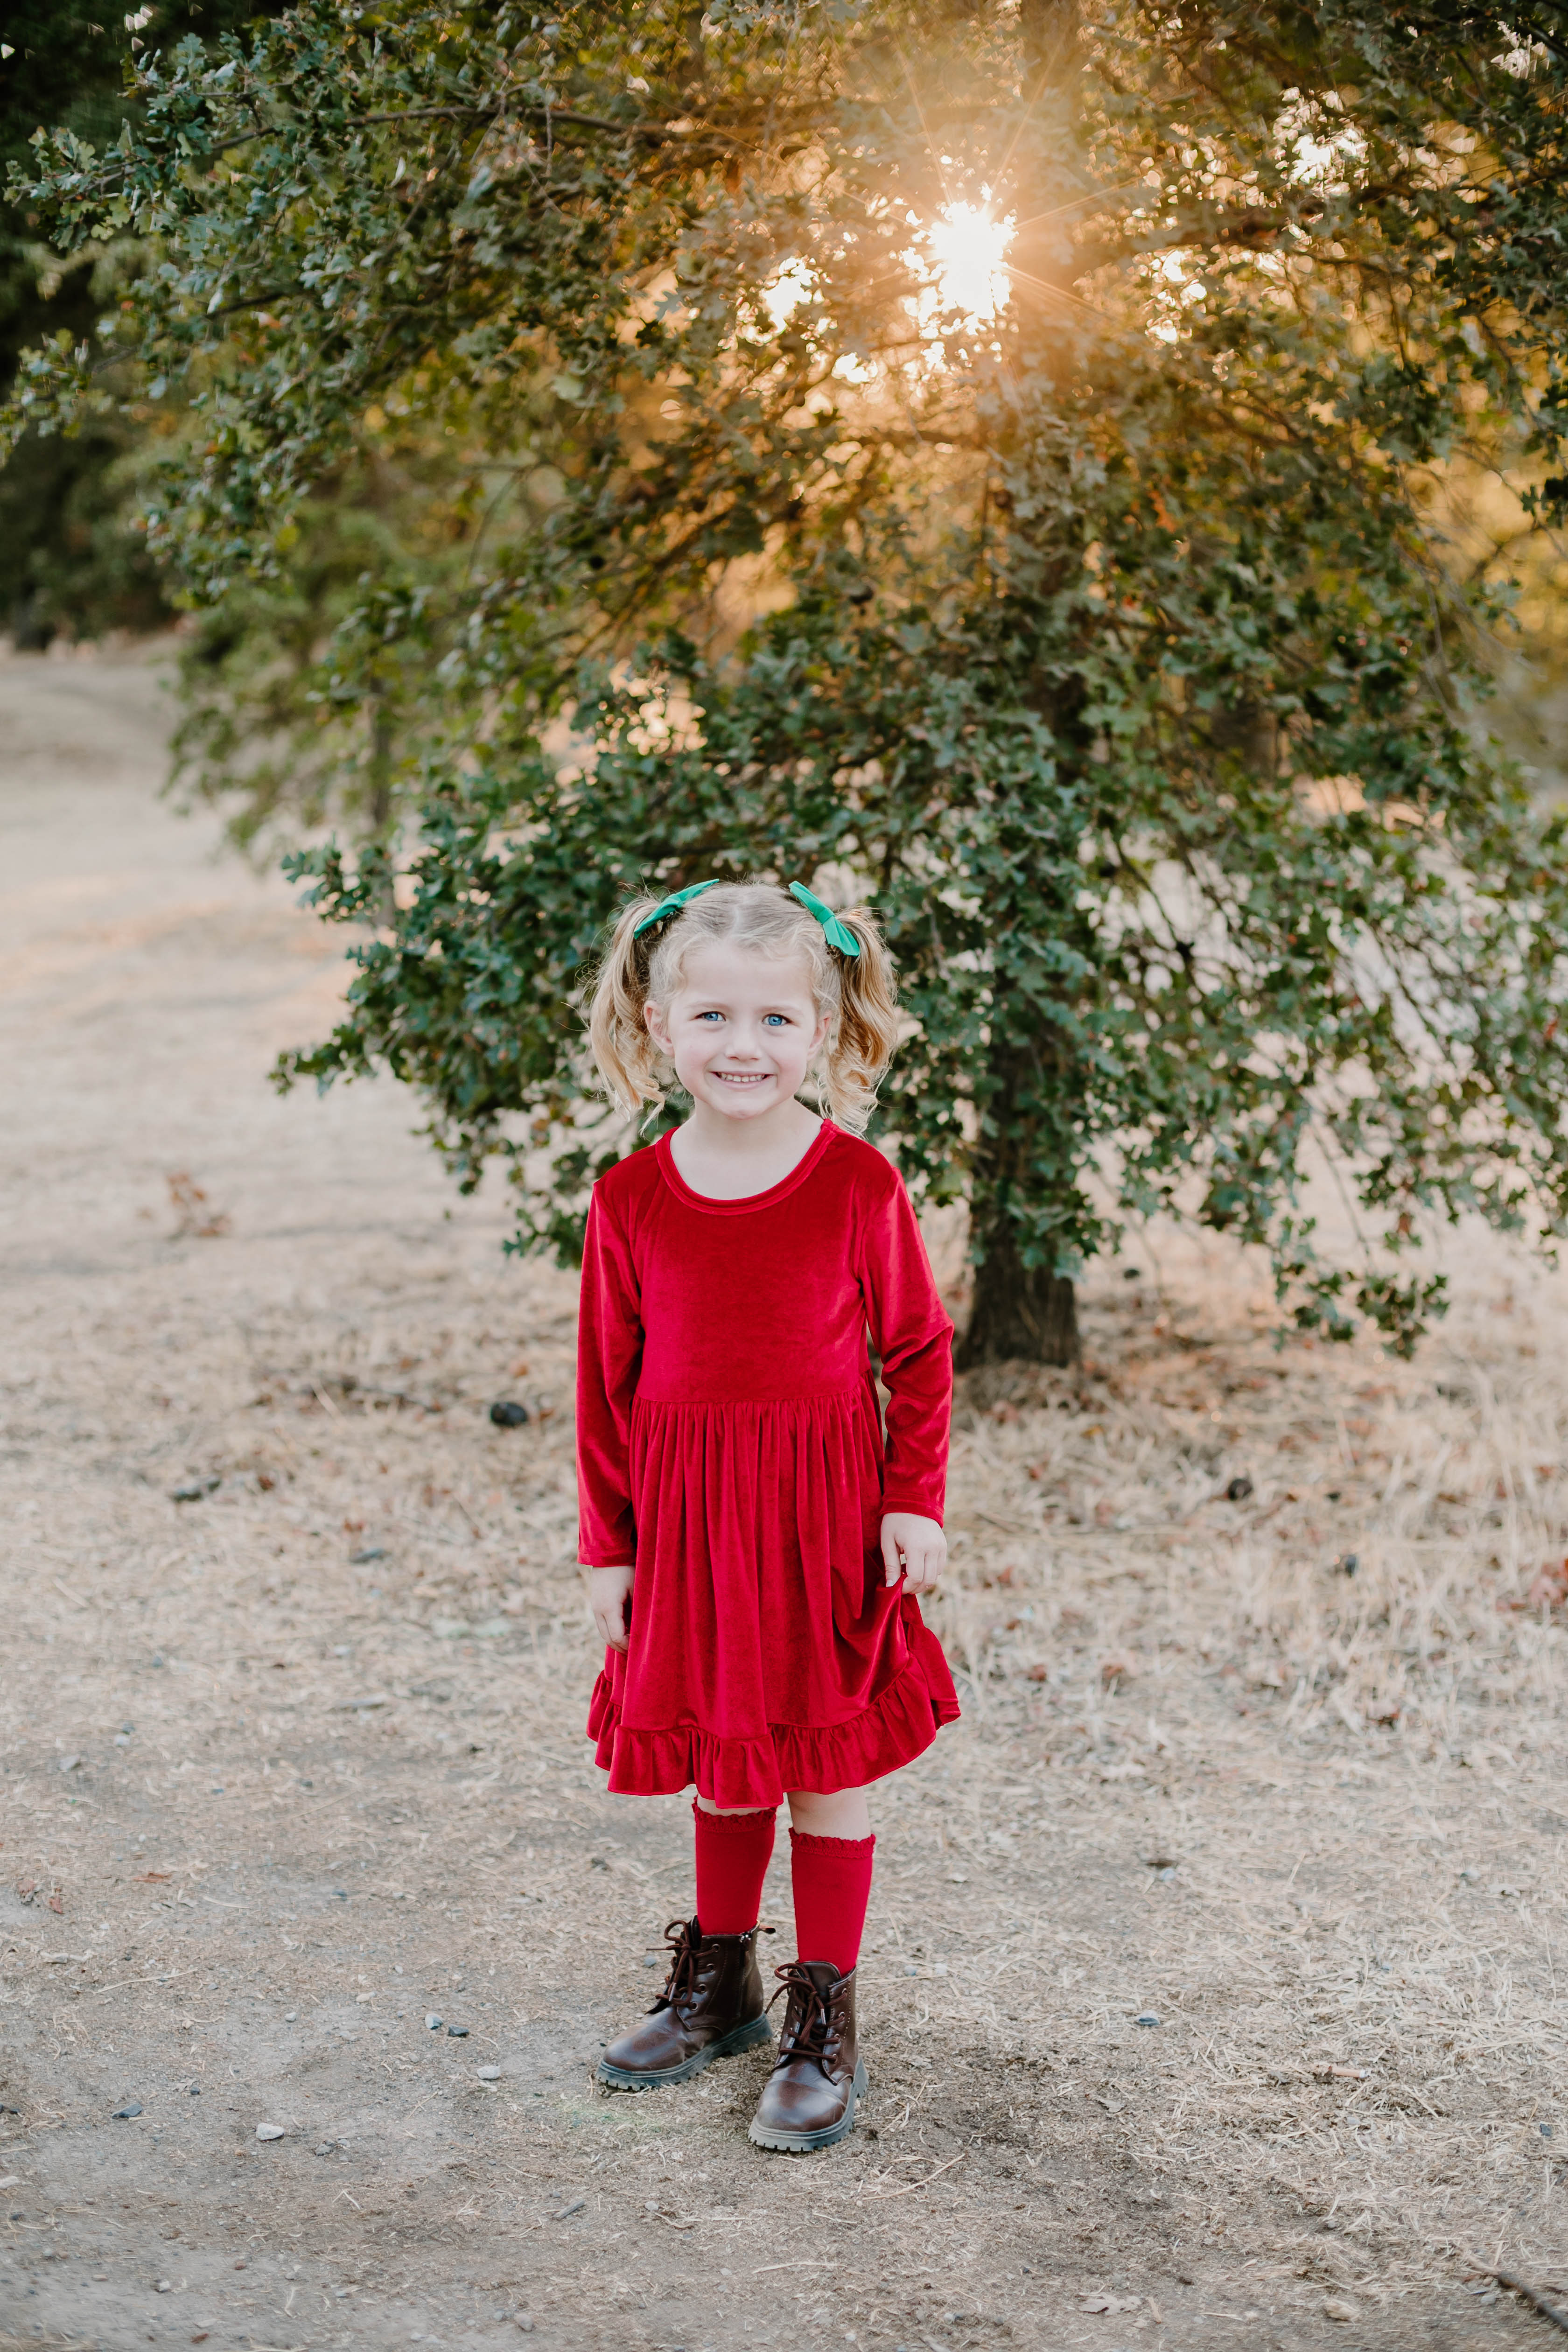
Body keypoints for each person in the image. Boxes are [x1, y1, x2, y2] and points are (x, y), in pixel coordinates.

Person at [575, 874, 958, 2155]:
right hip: (689, 1525)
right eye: (716, 1019)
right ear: (657, 1022)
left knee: (826, 1766)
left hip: (823, 1521)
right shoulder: (631, 1199)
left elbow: (917, 1352)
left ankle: (824, 2019)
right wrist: (609, 1545)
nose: (745, 1048)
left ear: (832, 1030)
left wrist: (916, 1502)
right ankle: (721, 1983)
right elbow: (603, 1387)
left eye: (778, 1022)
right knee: (726, 1759)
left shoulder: (856, 1185)